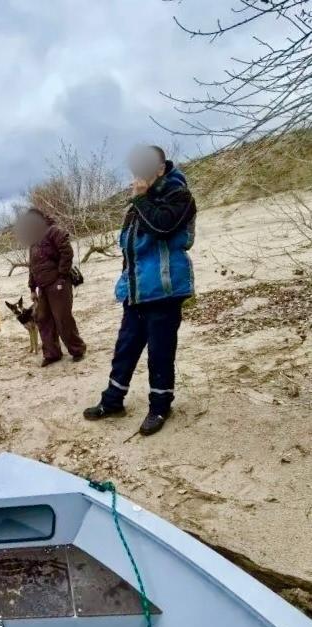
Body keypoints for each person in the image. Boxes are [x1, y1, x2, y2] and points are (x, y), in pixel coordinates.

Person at [83, 145, 197, 436]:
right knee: (125, 349)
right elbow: (129, 249)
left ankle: (160, 406)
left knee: (160, 353)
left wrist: (141, 198)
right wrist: (125, 284)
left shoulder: (180, 195)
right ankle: (112, 401)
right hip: (136, 292)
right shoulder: (137, 203)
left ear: (161, 167)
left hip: (165, 291)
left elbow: (162, 228)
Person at [16, 207, 86, 367]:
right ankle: (52, 354)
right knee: (43, 320)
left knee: (63, 319)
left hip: (58, 284)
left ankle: (77, 350)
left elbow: (67, 252)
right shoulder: (33, 240)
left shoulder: (54, 231)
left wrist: (62, 276)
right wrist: (32, 288)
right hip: (42, 288)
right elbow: (33, 266)